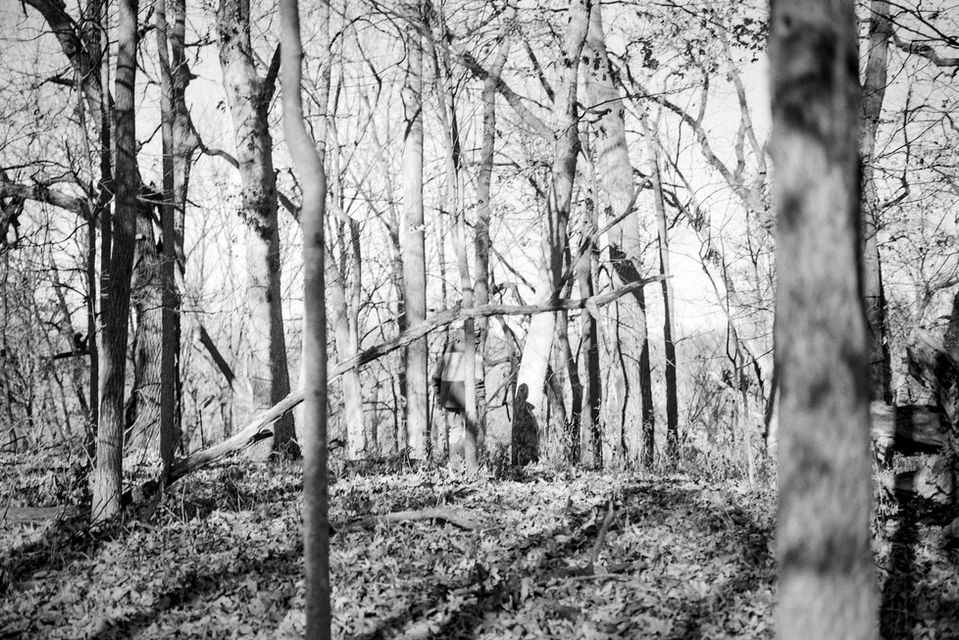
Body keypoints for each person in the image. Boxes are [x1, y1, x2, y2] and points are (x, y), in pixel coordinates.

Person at [431, 330, 484, 467]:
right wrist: (481, 398)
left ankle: (454, 465)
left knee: (454, 431)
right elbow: (478, 379)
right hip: (467, 398)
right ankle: (467, 462)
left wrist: (438, 397)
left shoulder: (447, 351)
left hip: (448, 398)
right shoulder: (474, 353)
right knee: (471, 430)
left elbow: (435, 377)